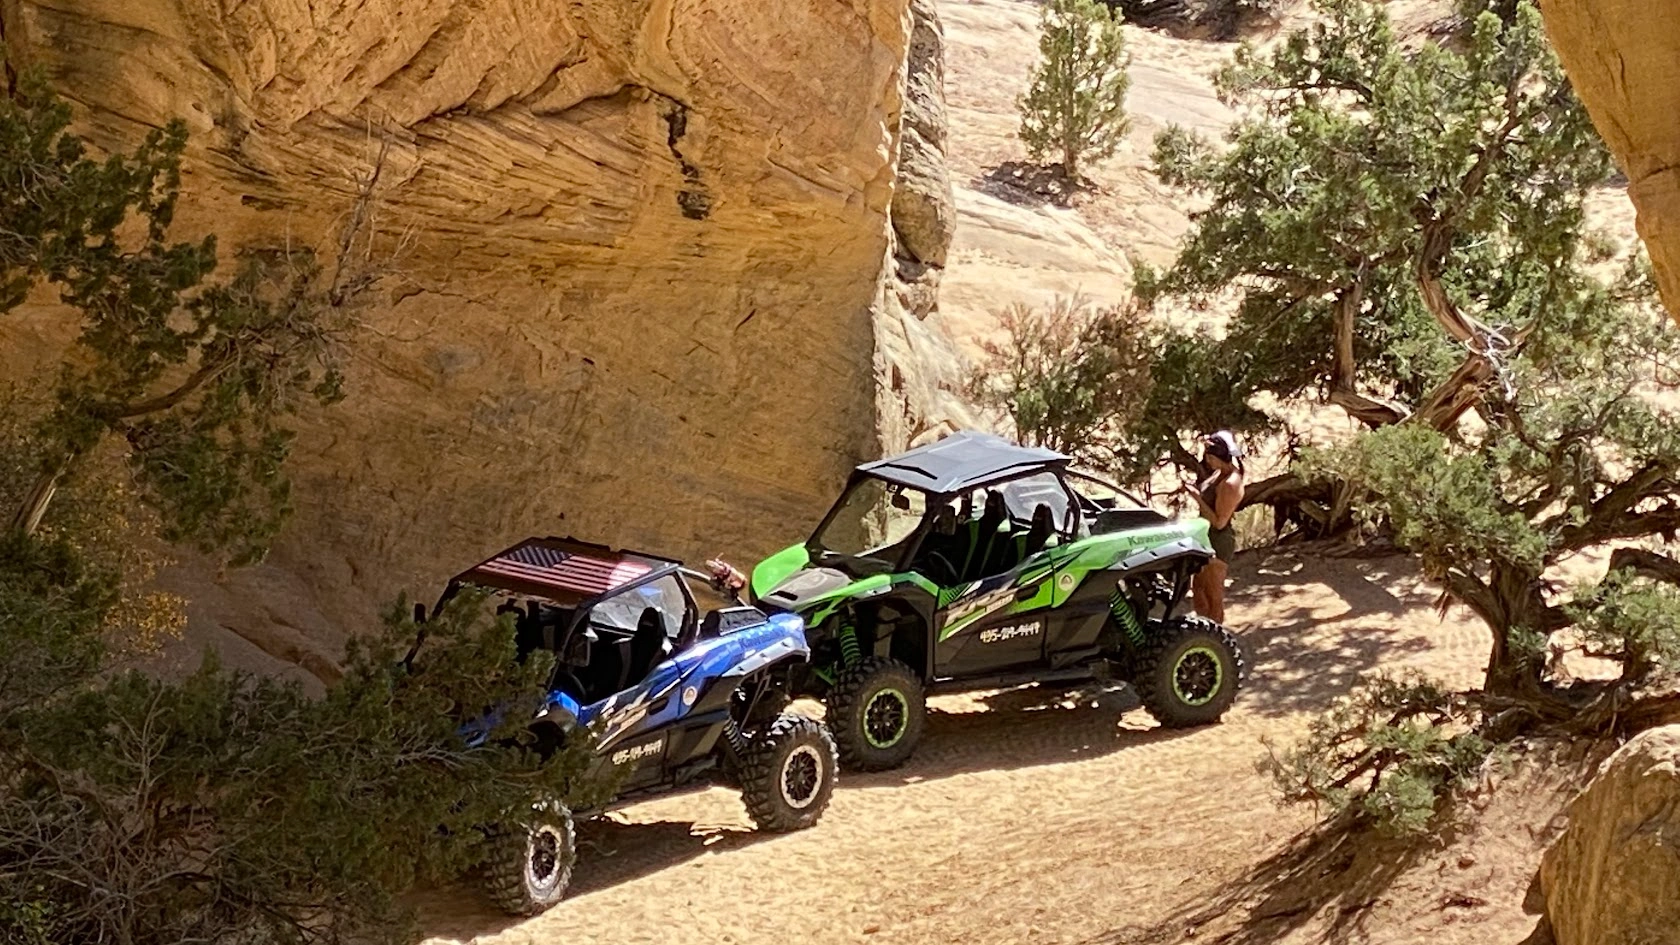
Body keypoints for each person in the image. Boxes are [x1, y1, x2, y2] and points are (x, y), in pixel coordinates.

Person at [1180, 430, 1245, 624]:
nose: (1207, 460)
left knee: (1213, 595)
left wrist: (1197, 499)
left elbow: (1220, 522)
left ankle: (1216, 637)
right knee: (1198, 588)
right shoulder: (1219, 475)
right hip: (1205, 536)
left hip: (1217, 541)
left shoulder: (1230, 484)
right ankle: (1202, 629)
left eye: (1209, 456)